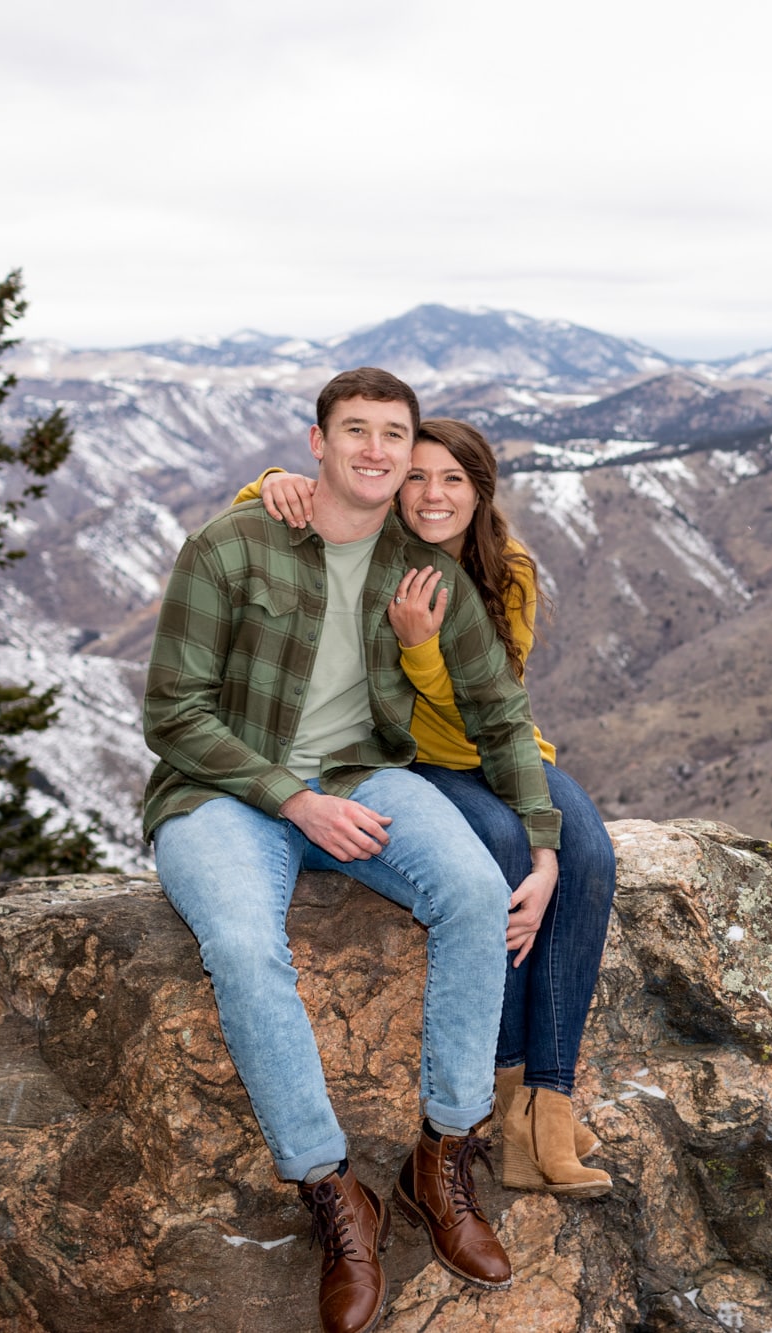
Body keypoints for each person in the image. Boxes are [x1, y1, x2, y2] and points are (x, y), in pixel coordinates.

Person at [146, 368, 558, 1332]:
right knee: (244, 946)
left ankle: (445, 1154)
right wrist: (291, 799)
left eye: (392, 434)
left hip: (363, 778)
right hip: (225, 793)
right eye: (356, 430)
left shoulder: (422, 569)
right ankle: (334, 1193)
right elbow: (174, 712)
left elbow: (501, 715)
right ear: (318, 440)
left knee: (471, 888)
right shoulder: (233, 545)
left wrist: (541, 850)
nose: (375, 450)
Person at [239, 417, 616, 1199]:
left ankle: (549, 1099)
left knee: (587, 853)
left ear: (480, 493)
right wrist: (271, 479)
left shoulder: (508, 571)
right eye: (417, 476)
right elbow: (411, 719)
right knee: (500, 855)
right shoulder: (373, 550)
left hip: (498, 749)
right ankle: (510, 1100)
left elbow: (491, 709)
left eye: (454, 480)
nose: (433, 495)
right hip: (419, 763)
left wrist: (423, 648)